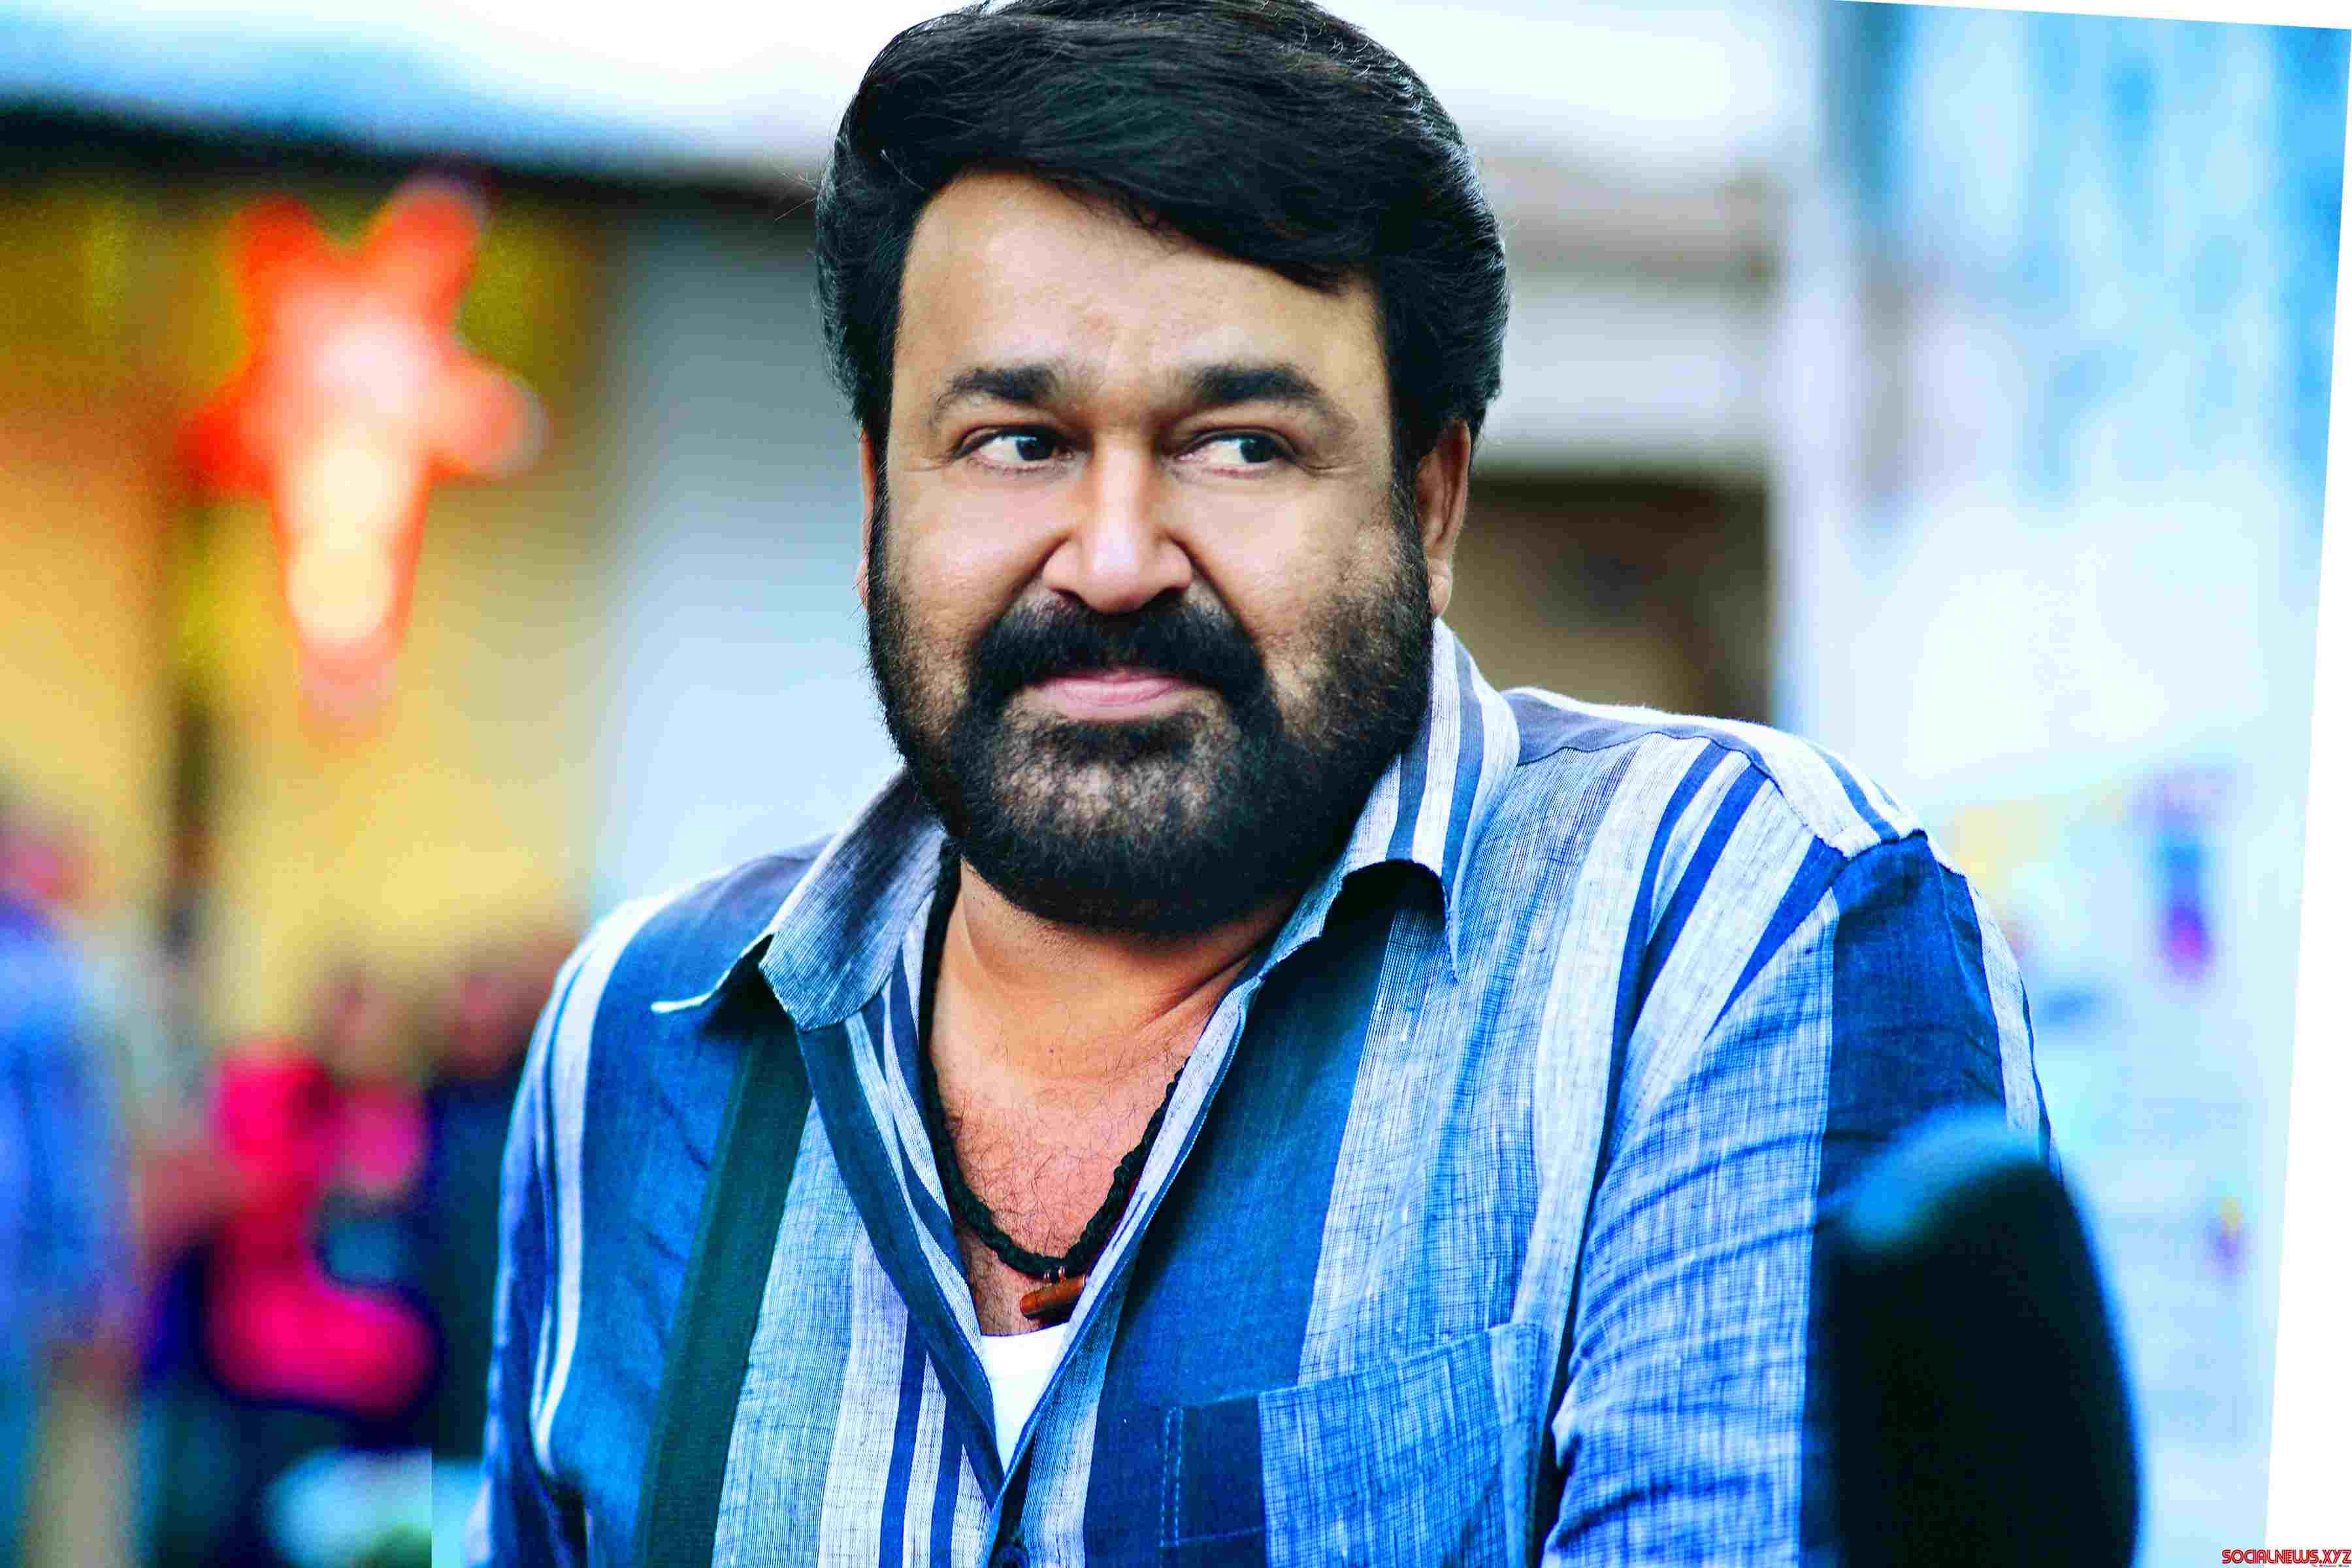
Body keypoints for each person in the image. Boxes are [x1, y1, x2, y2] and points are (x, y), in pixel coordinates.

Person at [474, 3, 2050, 1563]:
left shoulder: (1721, 924)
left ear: (1429, 503)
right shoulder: (648, 1035)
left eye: (1238, 445)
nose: (1111, 560)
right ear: (883, 493)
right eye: (1015, 441)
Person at [0, 796, 134, 1568]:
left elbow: (71, 1144)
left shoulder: (55, 975)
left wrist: (90, 1279)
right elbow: (71, 1146)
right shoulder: (53, 977)